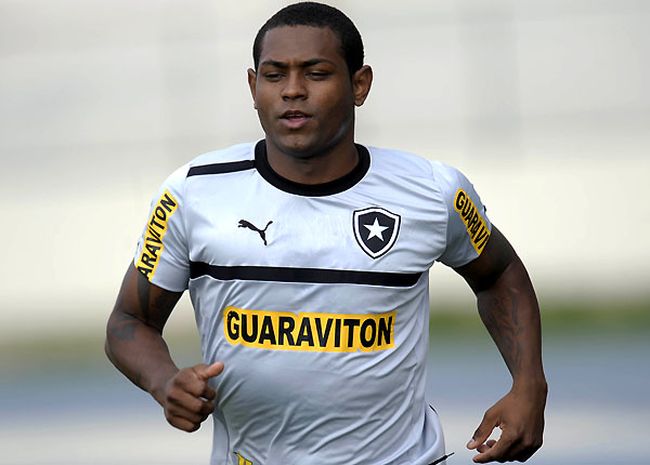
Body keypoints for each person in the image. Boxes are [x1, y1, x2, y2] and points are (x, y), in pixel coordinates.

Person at [105, 2, 547, 464]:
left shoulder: (432, 191)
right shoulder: (193, 193)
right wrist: (164, 382)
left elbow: (499, 274)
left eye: (316, 74)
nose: (292, 91)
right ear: (253, 87)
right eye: (274, 75)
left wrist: (529, 384)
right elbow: (128, 322)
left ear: (360, 85)